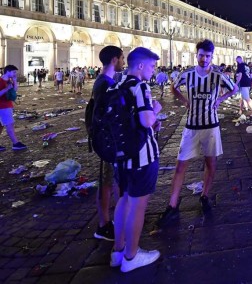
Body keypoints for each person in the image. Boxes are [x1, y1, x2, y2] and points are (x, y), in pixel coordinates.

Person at [157, 40, 238, 227]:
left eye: (208, 56)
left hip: (211, 126)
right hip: (191, 126)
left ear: (212, 56)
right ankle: (172, 205)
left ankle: (205, 196)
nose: (204, 59)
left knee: (210, 163)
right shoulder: (188, 74)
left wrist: (221, 99)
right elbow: (173, 88)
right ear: (197, 55)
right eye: (201, 55)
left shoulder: (217, 76)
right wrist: (185, 101)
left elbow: (233, 88)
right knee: (180, 165)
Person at [111, 47, 162, 272]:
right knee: (138, 206)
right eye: (152, 66)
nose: (153, 70)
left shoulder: (117, 84)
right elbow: (146, 120)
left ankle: (118, 251)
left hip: (120, 157)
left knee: (122, 201)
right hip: (141, 156)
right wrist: (156, 110)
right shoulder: (140, 86)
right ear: (140, 66)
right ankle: (131, 257)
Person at [92, 46, 125, 242]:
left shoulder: (103, 81)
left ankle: (106, 222)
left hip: (105, 139)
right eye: (122, 58)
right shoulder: (106, 84)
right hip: (108, 140)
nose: (123, 61)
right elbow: (110, 113)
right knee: (107, 182)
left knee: (107, 180)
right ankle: (104, 225)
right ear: (114, 60)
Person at [0, 65, 26, 151]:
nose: (15, 74)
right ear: (8, 71)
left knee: (1, 125)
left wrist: (15, 81)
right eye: (14, 72)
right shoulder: (0, 80)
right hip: (3, 106)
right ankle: (15, 143)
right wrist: (7, 88)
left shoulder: (9, 80)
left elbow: (14, 90)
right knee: (9, 124)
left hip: (7, 105)